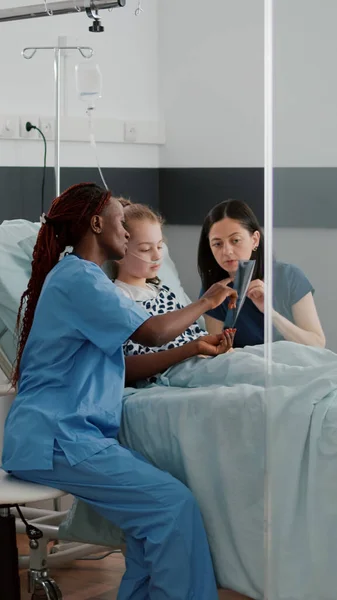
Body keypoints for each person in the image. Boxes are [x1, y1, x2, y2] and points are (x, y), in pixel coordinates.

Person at [1, 183, 238, 600]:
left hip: (68, 436)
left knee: (151, 525)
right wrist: (207, 302)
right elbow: (151, 332)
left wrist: (192, 347)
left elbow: (122, 366)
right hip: (57, 438)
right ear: (96, 223)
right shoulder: (79, 280)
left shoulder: (84, 281)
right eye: (119, 221)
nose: (127, 231)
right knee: (171, 507)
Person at [112, 200, 236, 385]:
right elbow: (124, 363)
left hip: (202, 362)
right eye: (145, 249)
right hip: (176, 372)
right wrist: (194, 347)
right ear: (118, 251)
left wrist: (214, 344)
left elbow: (192, 333)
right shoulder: (118, 298)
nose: (156, 255)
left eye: (160, 246)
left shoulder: (164, 292)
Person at [198, 199, 326, 348]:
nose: (227, 251)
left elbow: (317, 344)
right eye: (217, 244)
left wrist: (270, 313)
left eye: (235, 240)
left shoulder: (289, 276)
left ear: (255, 240)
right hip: (246, 368)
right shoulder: (214, 291)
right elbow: (218, 353)